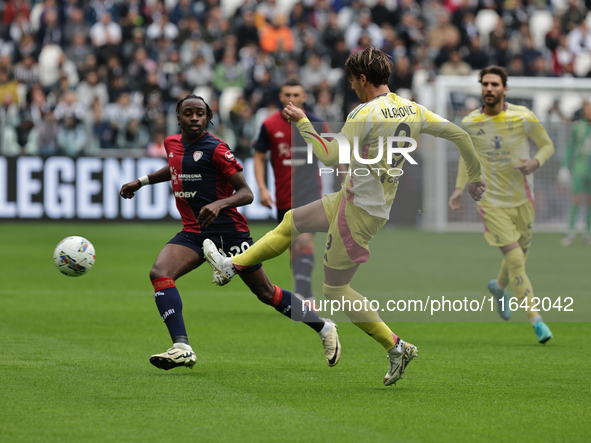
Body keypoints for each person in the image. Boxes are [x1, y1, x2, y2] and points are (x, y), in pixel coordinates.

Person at [204, 47, 486, 386]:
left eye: (353, 81)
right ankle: (231, 266)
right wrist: (475, 176)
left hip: (360, 211)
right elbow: (461, 135)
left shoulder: (363, 114)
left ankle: (396, 347)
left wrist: (303, 123)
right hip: (358, 199)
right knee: (294, 220)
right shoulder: (412, 109)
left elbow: (326, 156)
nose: (351, 87)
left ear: (363, 79)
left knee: (336, 291)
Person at [119, 94, 341, 371]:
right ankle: (181, 346)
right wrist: (141, 182)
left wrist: (219, 204)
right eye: (188, 113)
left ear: (208, 117)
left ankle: (323, 327)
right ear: (178, 117)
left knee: (265, 292)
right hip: (194, 231)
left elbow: (246, 193)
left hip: (229, 232)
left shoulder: (217, 149)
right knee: (160, 273)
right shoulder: (171, 144)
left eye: (200, 113)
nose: (195, 118)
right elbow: (177, 166)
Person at [448, 66, 555, 344]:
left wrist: (535, 162)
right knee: (517, 259)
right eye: (485, 84)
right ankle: (537, 321)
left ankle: (499, 286)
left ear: (505, 89)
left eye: (495, 84)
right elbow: (467, 159)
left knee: (518, 258)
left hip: (523, 200)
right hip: (491, 201)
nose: (489, 88)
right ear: (481, 88)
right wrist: (460, 188)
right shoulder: (470, 123)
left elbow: (547, 146)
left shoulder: (523, 117)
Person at [254, 78, 327, 301]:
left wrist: (346, 184)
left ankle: (305, 295)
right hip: (283, 195)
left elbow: (336, 156)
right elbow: (259, 155)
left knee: (304, 240)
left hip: (310, 193)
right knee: (294, 247)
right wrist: (262, 188)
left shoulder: (317, 123)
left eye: (296, 95)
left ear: (304, 98)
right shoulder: (269, 125)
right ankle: (303, 290)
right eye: (288, 95)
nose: (292, 99)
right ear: (281, 97)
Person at [558, 102, 591, 246]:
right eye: (588, 108)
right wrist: (564, 166)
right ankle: (571, 232)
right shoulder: (578, 127)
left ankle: (588, 233)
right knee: (576, 199)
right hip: (580, 168)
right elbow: (570, 147)